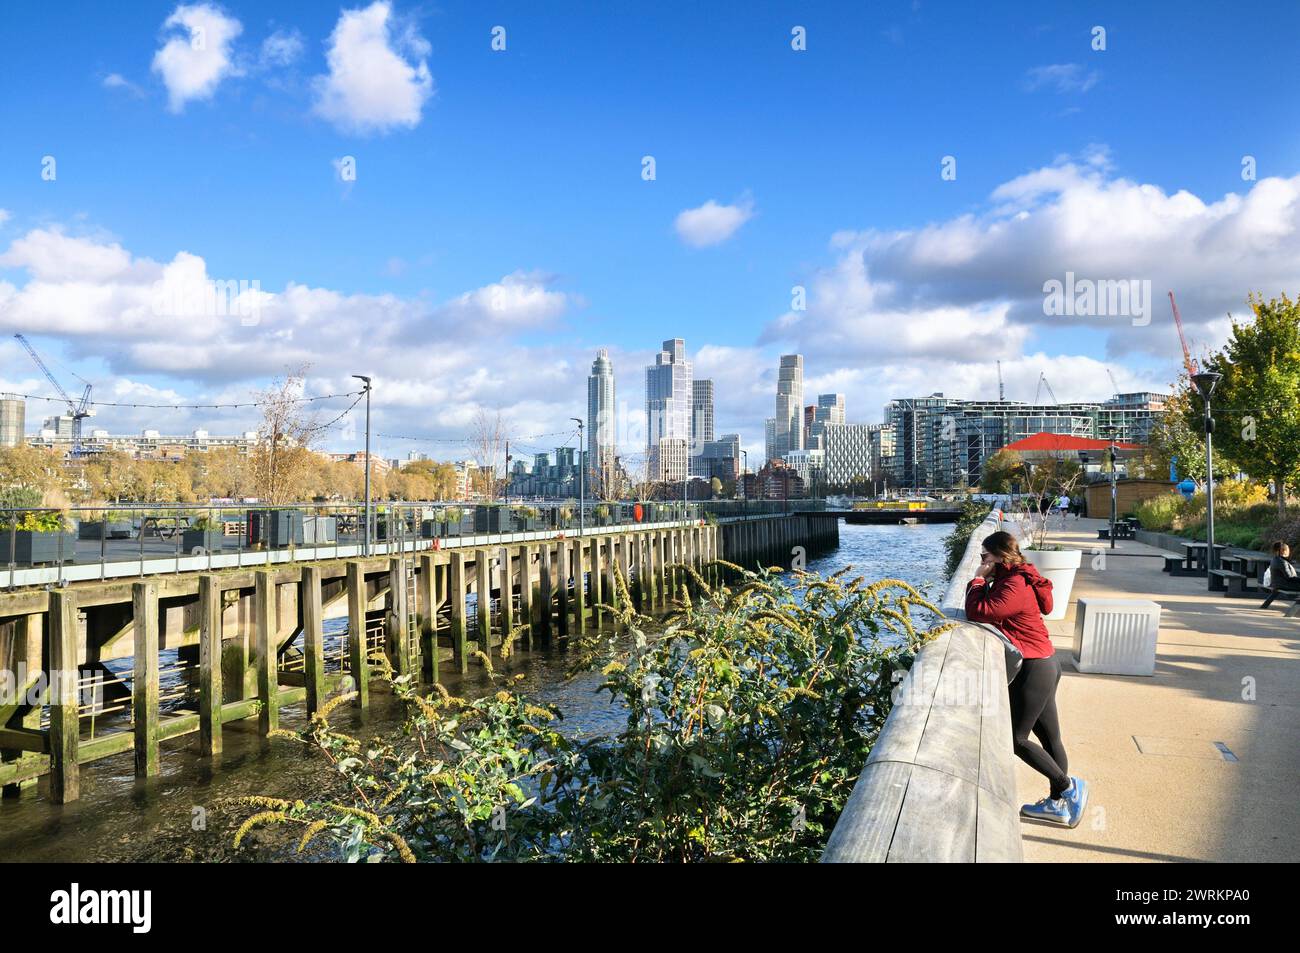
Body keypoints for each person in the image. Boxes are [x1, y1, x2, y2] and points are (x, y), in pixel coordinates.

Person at [966, 530, 1089, 828]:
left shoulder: (1014, 583)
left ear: (999, 557)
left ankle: (1068, 787)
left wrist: (978, 580)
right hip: (1046, 662)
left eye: (985, 557)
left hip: (1035, 668)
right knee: (1050, 738)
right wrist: (986, 578)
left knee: (1017, 739)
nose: (982, 561)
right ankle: (1057, 806)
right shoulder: (1020, 576)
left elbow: (978, 611)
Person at [1261, 541, 1300, 609]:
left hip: (1277, 583)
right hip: (1283, 584)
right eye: (1288, 550)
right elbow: (1289, 577)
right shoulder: (1282, 562)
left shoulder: (1275, 559)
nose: (1289, 551)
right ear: (1283, 551)